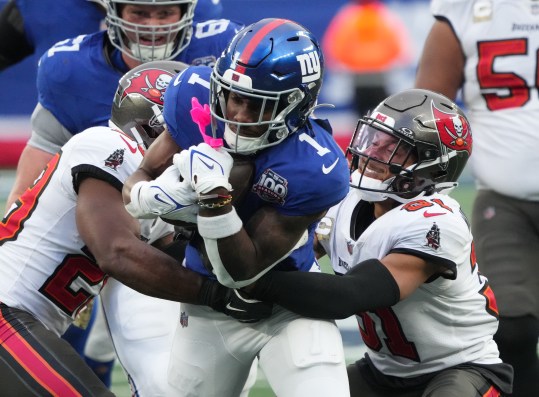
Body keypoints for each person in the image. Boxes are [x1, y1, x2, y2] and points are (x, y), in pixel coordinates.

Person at [0, 60, 270, 396]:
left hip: (24, 320)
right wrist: (218, 296)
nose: (207, 139)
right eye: (193, 125)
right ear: (154, 123)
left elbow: (185, 259)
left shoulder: (152, 195)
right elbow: (117, 253)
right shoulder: (105, 145)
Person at [123, 18, 351, 397]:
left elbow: (240, 271)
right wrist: (146, 197)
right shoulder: (192, 96)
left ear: (297, 105)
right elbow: (141, 175)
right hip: (207, 311)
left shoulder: (316, 166)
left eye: (258, 105)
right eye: (234, 97)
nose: (239, 116)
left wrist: (214, 200)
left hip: (288, 306)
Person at [245, 89, 514, 396]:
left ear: (433, 167)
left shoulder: (437, 221)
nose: (373, 153)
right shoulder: (344, 200)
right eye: (374, 139)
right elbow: (286, 251)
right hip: (382, 372)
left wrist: (256, 283)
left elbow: (351, 295)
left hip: (461, 368)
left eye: (393, 149)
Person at [4, 0, 243, 211]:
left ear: (186, 11)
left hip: (202, 195)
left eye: (164, 13)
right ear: (113, 12)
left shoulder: (221, 46)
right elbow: (27, 195)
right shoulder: (70, 69)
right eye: (138, 12)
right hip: (109, 208)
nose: (151, 25)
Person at [414, 1, 539, 395]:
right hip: (504, 198)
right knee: (512, 329)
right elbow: (429, 110)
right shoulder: (466, 7)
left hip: (503, 191)